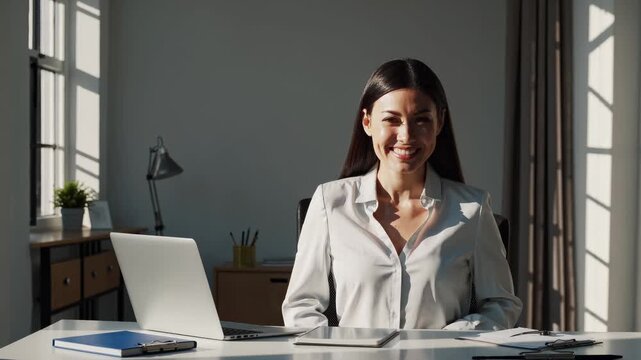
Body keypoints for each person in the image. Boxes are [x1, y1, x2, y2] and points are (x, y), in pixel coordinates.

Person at [282, 58, 522, 330]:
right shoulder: (330, 203)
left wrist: (451, 341)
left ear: (439, 123)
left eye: (421, 120)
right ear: (368, 122)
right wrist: (337, 350)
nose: (406, 135)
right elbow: (301, 307)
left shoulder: (473, 209)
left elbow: (501, 304)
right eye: (391, 120)